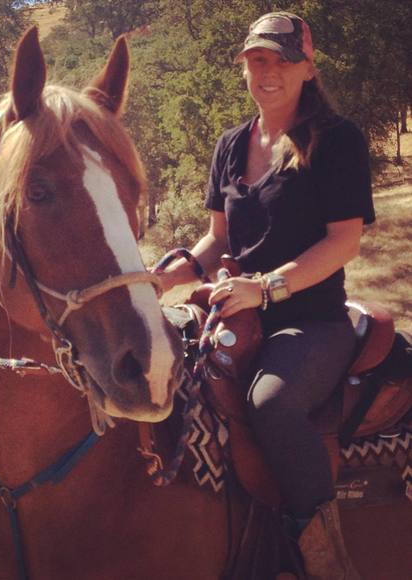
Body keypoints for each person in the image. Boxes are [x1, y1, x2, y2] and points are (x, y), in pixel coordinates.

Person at [156, 11, 374, 580]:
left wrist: (264, 288)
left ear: (308, 68)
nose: (268, 72)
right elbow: (217, 240)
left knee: (270, 402)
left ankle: (318, 555)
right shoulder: (231, 145)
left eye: (281, 61)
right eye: (257, 61)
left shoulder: (336, 140)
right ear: (244, 69)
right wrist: (162, 278)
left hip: (312, 320)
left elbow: (344, 241)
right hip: (232, 312)